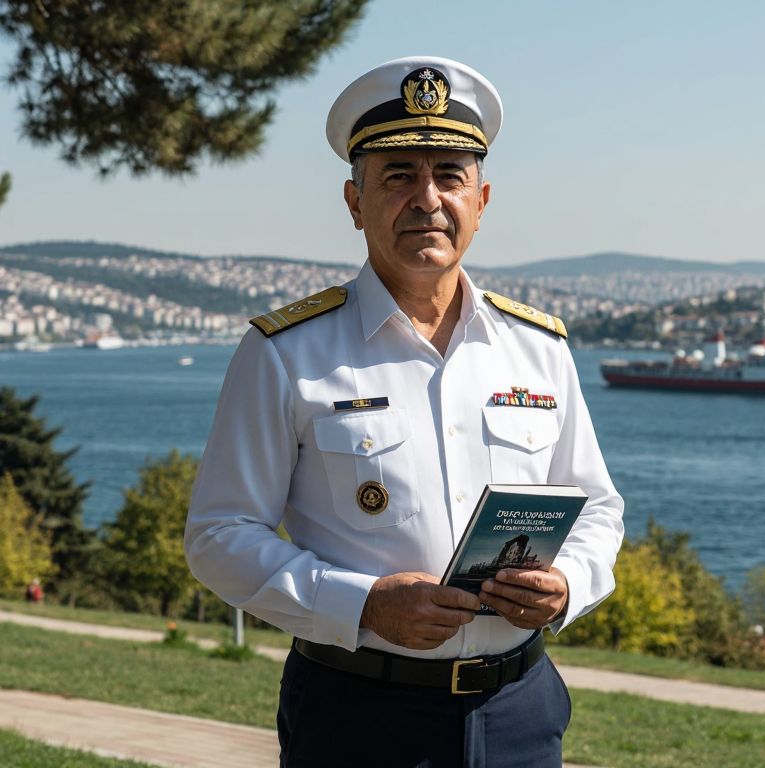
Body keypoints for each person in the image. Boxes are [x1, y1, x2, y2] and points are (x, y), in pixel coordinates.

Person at [184, 55, 624, 768]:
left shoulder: (538, 349)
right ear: (355, 203)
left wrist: (568, 583)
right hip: (359, 714)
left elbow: (597, 509)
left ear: (482, 201)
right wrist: (360, 605)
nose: (427, 199)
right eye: (398, 177)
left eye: (449, 175)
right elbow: (218, 535)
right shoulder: (286, 352)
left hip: (518, 711)